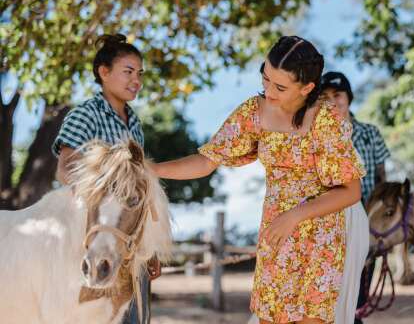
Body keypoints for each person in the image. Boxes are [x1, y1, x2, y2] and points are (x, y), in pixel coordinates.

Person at [151, 35, 365, 324]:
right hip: (276, 234)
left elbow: (351, 191)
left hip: (320, 240)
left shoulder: (326, 120)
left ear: (307, 88)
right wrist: (151, 169)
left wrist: (295, 216)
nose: (269, 91)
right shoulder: (254, 112)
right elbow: (206, 160)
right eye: (265, 79)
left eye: (279, 87)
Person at [52, 33, 160, 324]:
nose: (136, 80)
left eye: (140, 74)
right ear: (104, 72)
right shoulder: (84, 115)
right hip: (93, 234)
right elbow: (64, 170)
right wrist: (102, 192)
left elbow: (136, 190)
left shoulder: (134, 122)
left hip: (127, 243)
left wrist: (149, 249)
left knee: (136, 318)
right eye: (128, 72)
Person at [320, 71, 391, 324]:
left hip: (366, 221)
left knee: (358, 298)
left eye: (337, 95)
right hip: (331, 222)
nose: (332, 101)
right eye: (325, 96)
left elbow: (382, 179)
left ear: (348, 98)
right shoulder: (318, 135)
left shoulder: (370, 133)